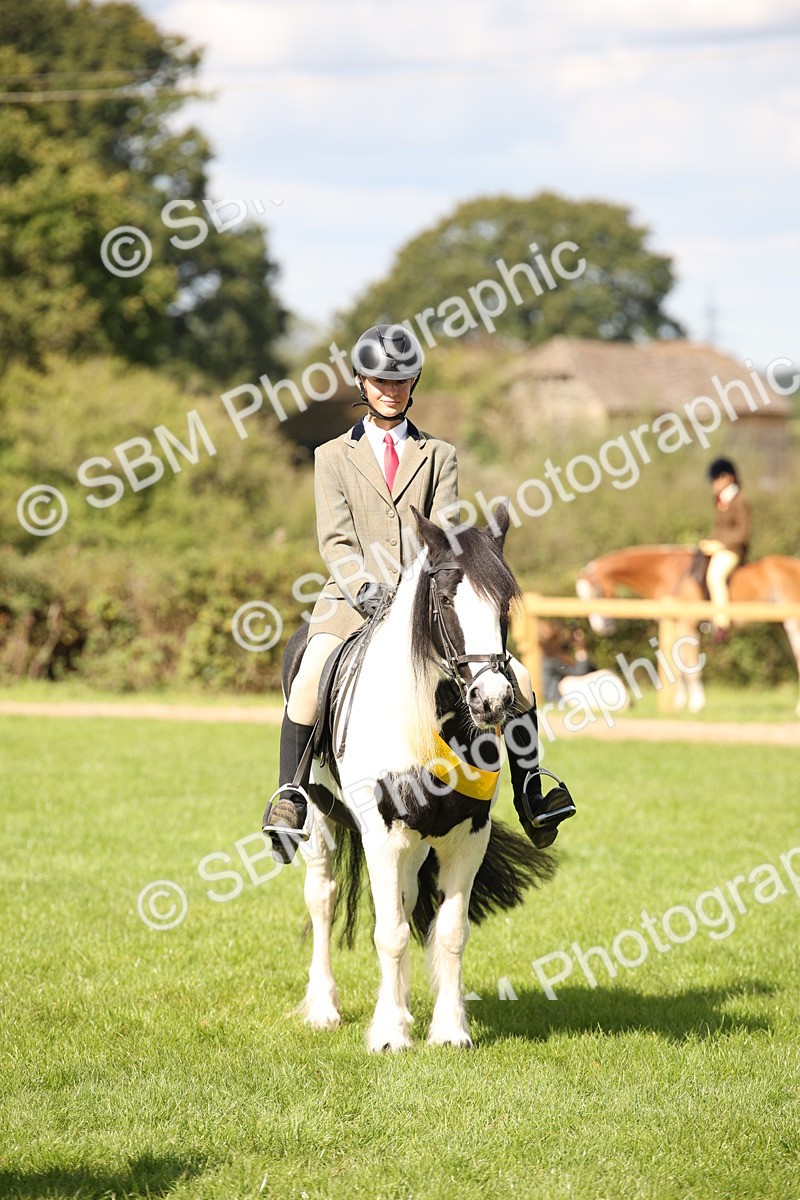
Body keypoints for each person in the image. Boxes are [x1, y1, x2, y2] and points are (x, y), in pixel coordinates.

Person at [262, 324, 575, 862]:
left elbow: (445, 534)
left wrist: (417, 590)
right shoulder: (331, 456)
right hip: (349, 599)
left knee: (515, 677)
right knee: (311, 672)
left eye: (402, 379)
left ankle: (531, 788)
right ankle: (290, 793)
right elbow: (335, 539)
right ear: (362, 381)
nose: (391, 388)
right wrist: (365, 590)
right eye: (381, 379)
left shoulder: (439, 455)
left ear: (414, 383)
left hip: (421, 600)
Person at [699, 457, 750, 642]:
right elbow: (719, 528)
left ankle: (721, 622)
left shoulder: (739, 500)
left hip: (733, 550)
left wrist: (719, 544)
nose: (714, 484)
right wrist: (709, 541)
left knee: (715, 576)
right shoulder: (721, 501)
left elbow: (742, 532)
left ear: (728, 477)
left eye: (716, 479)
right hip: (720, 547)